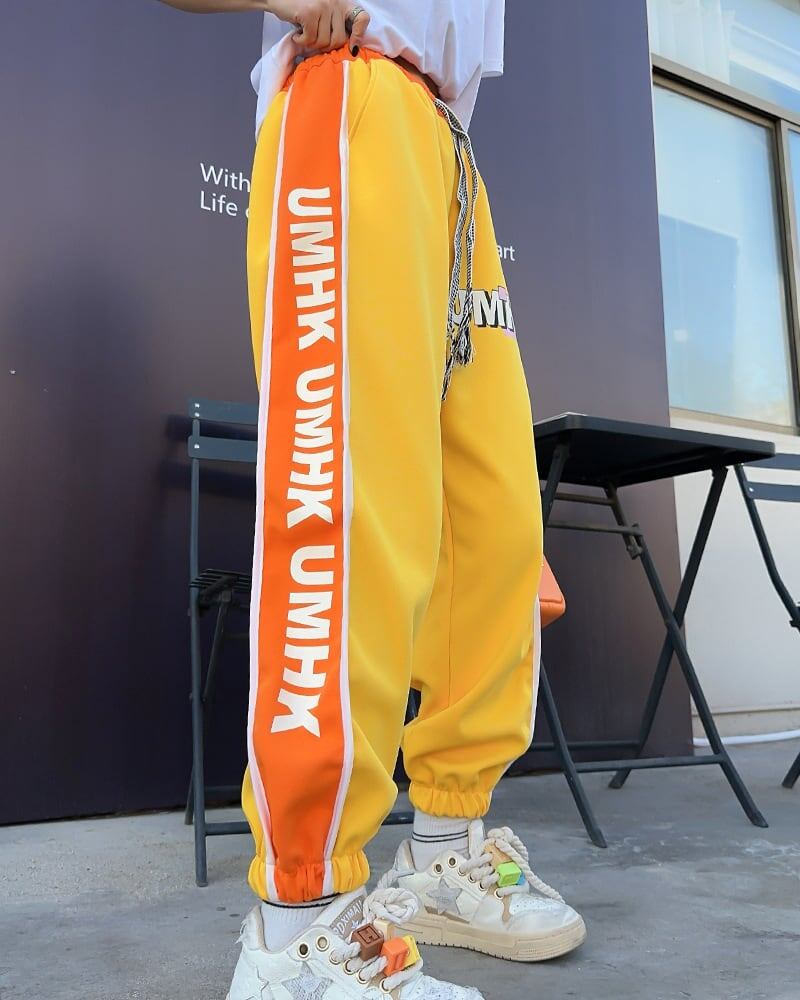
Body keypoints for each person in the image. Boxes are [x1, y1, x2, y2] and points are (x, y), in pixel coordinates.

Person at [158, 2, 587, 996]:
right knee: (347, 504)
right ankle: (297, 935)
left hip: (446, 147)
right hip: (351, 96)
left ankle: (442, 852)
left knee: (489, 522)